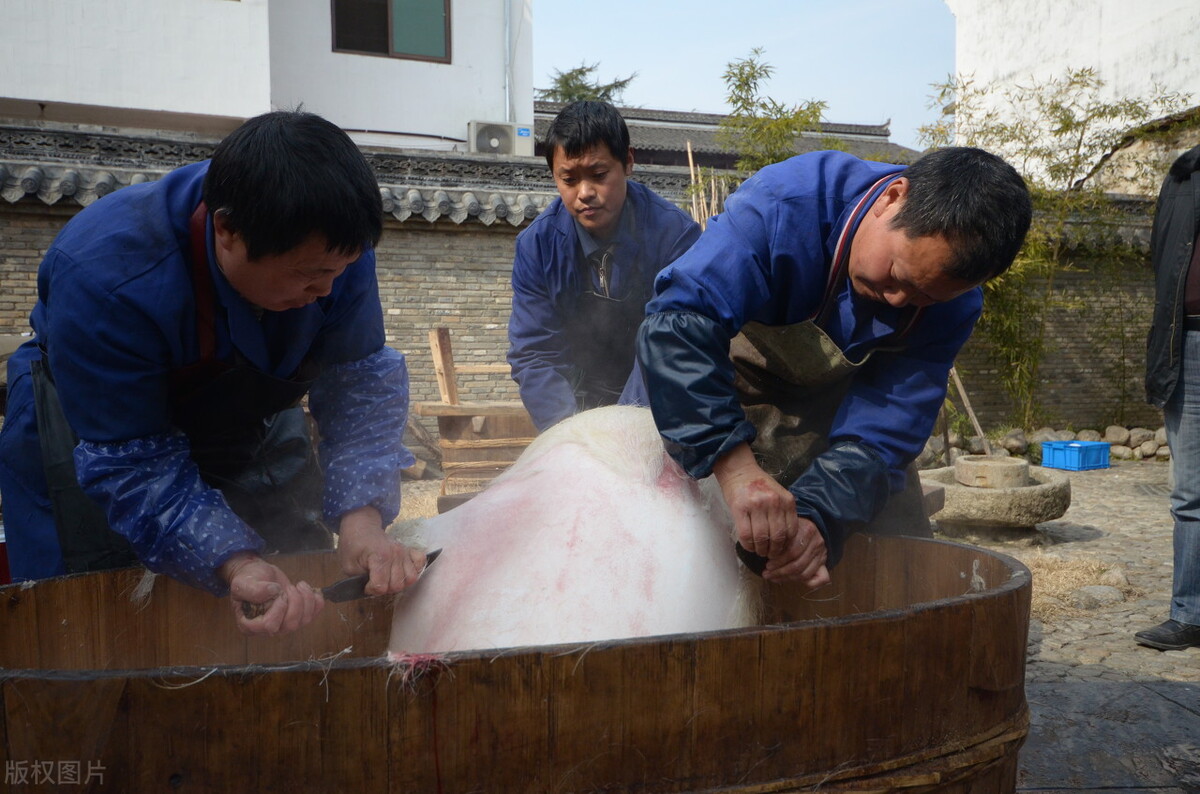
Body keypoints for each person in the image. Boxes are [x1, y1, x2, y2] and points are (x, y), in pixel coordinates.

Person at [0, 110, 427, 636]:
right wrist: (234, 562)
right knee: (91, 617)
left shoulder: (334, 249)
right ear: (226, 229)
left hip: (243, 415)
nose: (326, 291)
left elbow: (358, 383)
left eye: (337, 272)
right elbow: (133, 461)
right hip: (96, 432)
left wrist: (362, 523)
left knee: (291, 553)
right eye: (308, 275)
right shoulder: (105, 274)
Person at [625, 147, 1032, 589]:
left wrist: (819, 519)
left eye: (923, 298)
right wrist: (736, 469)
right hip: (702, 398)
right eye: (897, 274)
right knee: (659, 556)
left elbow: (885, 428)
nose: (899, 301)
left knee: (900, 569)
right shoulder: (785, 203)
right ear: (893, 197)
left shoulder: (954, 305)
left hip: (828, 419)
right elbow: (677, 329)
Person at [507, 100, 701, 431]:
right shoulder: (537, 247)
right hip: (577, 402)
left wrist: (622, 429)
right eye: (568, 179)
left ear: (627, 162)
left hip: (663, 403)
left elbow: (671, 343)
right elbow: (536, 353)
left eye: (599, 175)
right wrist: (567, 435)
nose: (585, 193)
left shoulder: (674, 236)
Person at [1139, 144, 1200, 651]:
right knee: (1190, 493)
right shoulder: (1185, 174)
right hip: (1191, 343)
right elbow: (1163, 256)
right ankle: (1190, 614)